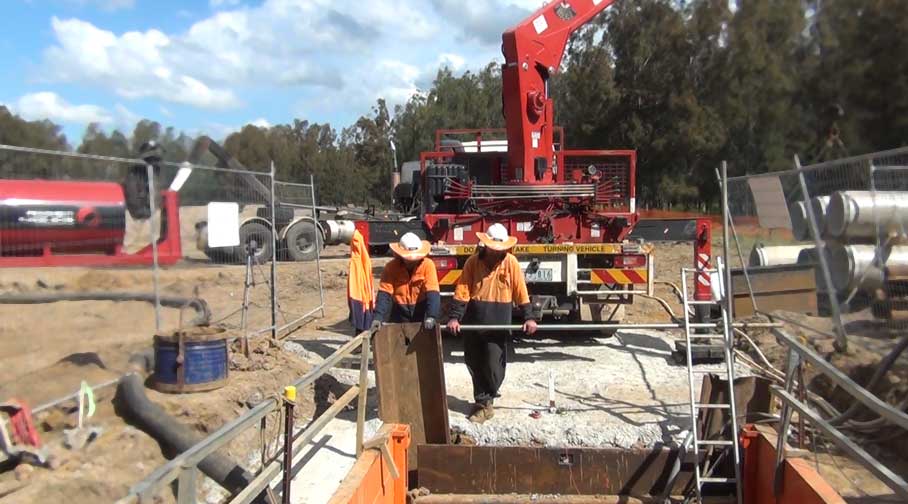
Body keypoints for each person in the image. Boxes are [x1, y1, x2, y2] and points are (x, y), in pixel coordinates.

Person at [446, 223, 538, 423]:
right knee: (474, 361)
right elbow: (463, 289)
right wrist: (455, 316)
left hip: (499, 318)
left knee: (493, 364)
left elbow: (520, 290)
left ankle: (488, 396)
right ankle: (483, 403)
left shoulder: (511, 262)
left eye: (500, 248)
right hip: (474, 317)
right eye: (493, 248)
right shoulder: (472, 262)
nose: (497, 252)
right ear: (485, 245)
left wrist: (529, 316)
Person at [371, 233, 440, 331]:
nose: (412, 261)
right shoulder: (391, 267)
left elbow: (433, 292)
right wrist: (378, 317)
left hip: (420, 309)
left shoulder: (428, 265)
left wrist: (431, 316)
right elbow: (384, 294)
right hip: (399, 311)